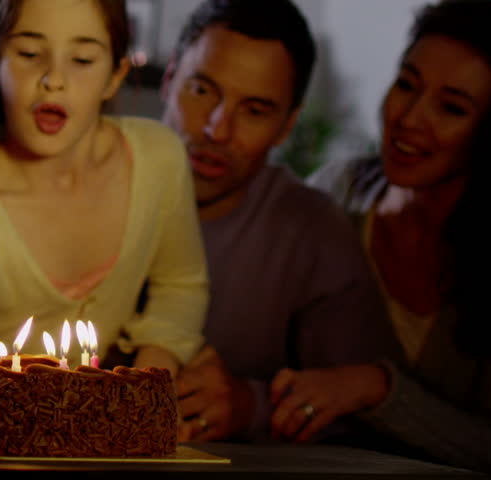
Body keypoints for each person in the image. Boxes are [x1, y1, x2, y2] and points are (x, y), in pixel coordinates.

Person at [304, 0, 491, 474]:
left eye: (451, 108)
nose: (409, 117)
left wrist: (377, 387)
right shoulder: (334, 192)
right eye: (406, 84)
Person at [0, 0, 208, 375]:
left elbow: (181, 285)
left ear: (115, 75)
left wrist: (153, 372)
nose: (54, 79)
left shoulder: (159, 160)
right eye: (29, 53)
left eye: (83, 59)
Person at [159, 0, 403, 444]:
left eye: (254, 110)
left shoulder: (312, 233)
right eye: (202, 90)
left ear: (287, 126)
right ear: (168, 78)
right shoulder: (81, 184)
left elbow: (370, 417)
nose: (217, 129)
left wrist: (249, 406)